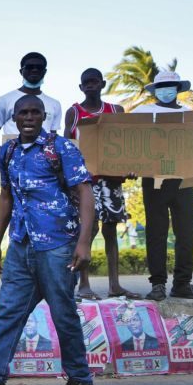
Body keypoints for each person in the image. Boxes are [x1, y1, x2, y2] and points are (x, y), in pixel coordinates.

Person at [0, 95, 97, 385]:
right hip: (21, 244)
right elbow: (6, 197)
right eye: (23, 113)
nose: (29, 117)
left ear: (43, 116)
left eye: (35, 112)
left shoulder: (61, 148)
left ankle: (81, 382)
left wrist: (84, 242)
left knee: (63, 314)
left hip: (58, 244)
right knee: (8, 311)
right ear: (13, 118)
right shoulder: (9, 151)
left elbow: (85, 192)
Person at [63, 68, 141, 300]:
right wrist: (69, 182)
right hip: (85, 181)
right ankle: (84, 284)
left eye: (94, 81)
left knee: (111, 230)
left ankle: (114, 285)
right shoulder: (74, 112)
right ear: (80, 87)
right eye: (86, 82)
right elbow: (68, 146)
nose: (90, 85)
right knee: (86, 229)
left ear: (102, 84)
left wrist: (130, 167)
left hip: (111, 180)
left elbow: (126, 143)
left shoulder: (116, 111)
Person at [131, 71, 193, 301]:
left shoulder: (190, 116)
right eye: (163, 86)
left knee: (185, 232)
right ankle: (158, 283)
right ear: (155, 90)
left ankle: (182, 283)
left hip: (183, 180)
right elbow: (132, 143)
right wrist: (131, 165)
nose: (167, 90)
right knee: (156, 233)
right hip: (154, 180)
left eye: (171, 85)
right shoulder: (142, 113)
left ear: (178, 88)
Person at [0, 52, 63, 149]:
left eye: (39, 67)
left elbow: (53, 137)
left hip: (44, 160)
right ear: (21, 71)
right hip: (12, 158)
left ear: (44, 71)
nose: (34, 70)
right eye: (29, 67)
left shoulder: (54, 104)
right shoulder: (4, 100)